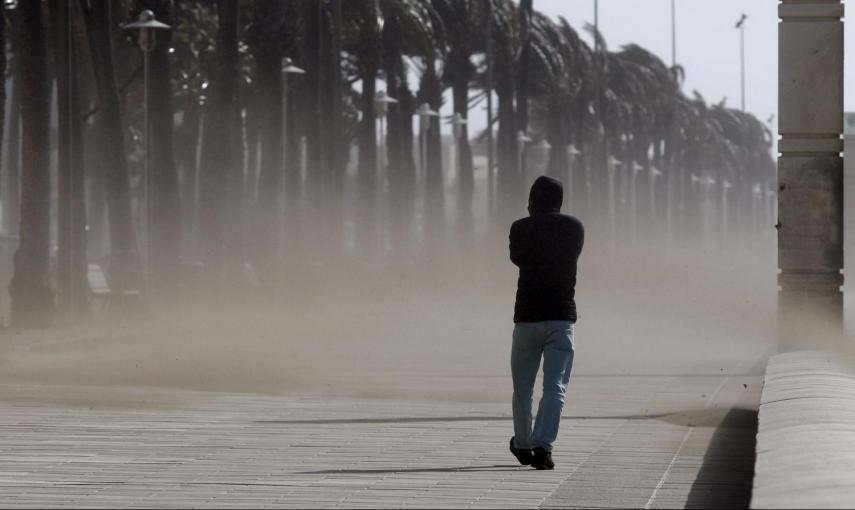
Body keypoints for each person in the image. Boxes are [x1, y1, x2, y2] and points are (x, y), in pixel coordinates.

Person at [508, 175, 584, 470]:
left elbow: (517, 258)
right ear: (560, 201)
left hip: (527, 318)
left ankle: (523, 443)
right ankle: (543, 446)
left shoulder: (520, 228)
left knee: (522, 387)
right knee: (555, 387)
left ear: (532, 200)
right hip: (561, 318)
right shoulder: (574, 227)